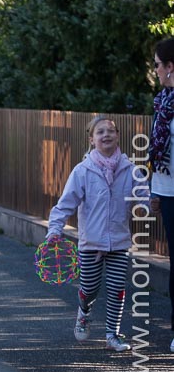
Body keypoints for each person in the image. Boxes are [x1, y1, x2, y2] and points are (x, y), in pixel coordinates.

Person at [47, 115, 143, 352]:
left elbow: (143, 197)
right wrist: (54, 230)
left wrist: (150, 204)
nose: (106, 135)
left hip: (119, 241)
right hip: (91, 242)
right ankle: (84, 311)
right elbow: (65, 204)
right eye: (100, 132)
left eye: (111, 131)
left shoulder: (130, 170)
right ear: (92, 140)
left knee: (117, 288)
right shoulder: (83, 171)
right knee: (89, 288)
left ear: (118, 136)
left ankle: (113, 335)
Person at [149, 37, 174, 353]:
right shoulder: (163, 102)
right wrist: (155, 190)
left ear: (170, 67)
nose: (154, 70)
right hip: (168, 191)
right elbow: (158, 152)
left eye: (156, 65)